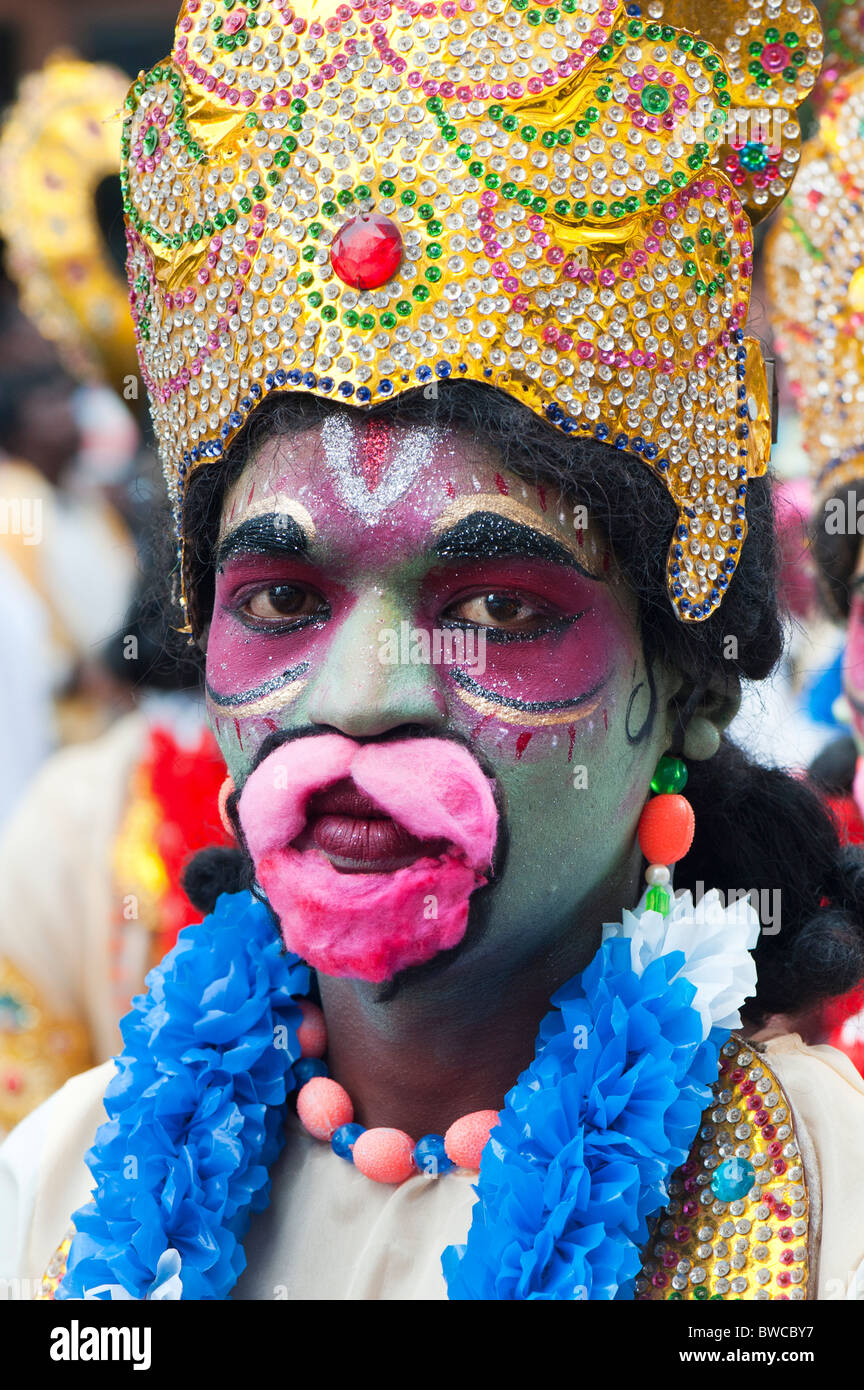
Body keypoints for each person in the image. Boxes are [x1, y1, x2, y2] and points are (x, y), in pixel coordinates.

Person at [4, 0, 864, 1304]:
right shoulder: (60, 1191)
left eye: (499, 608)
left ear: (685, 688)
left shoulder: (824, 1205)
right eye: (284, 600)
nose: (355, 700)